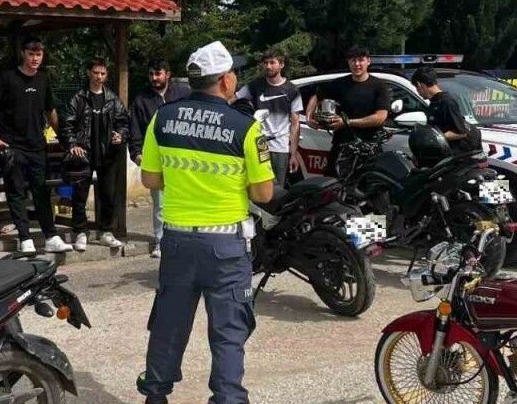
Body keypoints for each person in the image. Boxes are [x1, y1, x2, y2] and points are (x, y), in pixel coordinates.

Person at [136, 41, 275, 404]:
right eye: (235, 74)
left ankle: (155, 394)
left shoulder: (162, 118)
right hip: (226, 246)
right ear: (226, 81)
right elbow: (263, 193)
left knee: (169, 323)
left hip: (176, 241)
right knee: (229, 332)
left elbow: (150, 179)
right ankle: (228, 398)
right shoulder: (245, 127)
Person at [0, 36, 71, 254]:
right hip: (12, 146)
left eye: (39, 54)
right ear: (23, 53)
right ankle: (25, 238)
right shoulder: (8, 78)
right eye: (31, 54)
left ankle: (51, 236)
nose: (35, 58)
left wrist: (62, 138)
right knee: (16, 191)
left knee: (41, 191)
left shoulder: (43, 79)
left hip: (37, 145)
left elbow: (50, 111)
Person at [59, 57, 129, 251]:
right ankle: (80, 232)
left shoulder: (113, 99)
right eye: (96, 73)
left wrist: (120, 135)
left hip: (108, 154)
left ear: (106, 75)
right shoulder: (78, 98)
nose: (99, 76)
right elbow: (67, 124)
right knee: (79, 195)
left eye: (103, 73)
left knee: (109, 195)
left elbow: (124, 122)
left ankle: (106, 232)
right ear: (89, 73)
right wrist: (72, 144)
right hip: (84, 154)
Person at [129, 59, 191, 258]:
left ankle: (185, 239)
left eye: (158, 74)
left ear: (168, 74)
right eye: (151, 74)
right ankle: (160, 241)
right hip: (156, 159)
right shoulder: (141, 100)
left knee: (185, 200)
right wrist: (137, 153)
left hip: (183, 157)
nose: (154, 78)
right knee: (161, 203)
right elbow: (135, 129)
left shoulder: (183, 94)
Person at [305, 45, 391, 176]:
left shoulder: (379, 86)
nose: (357, 64)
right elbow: (317, 96)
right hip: (342, 145)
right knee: (331, 184)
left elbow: (380, 117)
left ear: (368, 61)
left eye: (361, 60)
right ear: (348, 62)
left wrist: (347, 122)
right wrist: (309, 118)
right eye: (353, 60)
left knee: (369, 185)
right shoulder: (339, 84)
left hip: (370, 147)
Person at [234, 48, 303, 188]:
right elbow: (234, 98)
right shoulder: (256, 85)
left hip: (280, 147)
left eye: (272, 62)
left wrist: (293, 153)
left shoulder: (292, 90)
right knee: (255, 185)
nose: (268, 66)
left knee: (277, 189)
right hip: (257, 145)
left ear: (281, 64)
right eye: (265, 63)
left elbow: (295, 123)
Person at [411, 65, 482, 153]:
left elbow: (461, 132)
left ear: (419, 85)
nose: (418, 92)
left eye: (416, 88)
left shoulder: (447, 102)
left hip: (456, 156)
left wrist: (435, 139)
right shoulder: (434, 103)